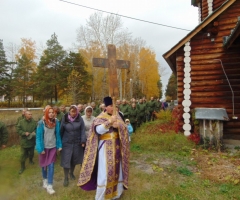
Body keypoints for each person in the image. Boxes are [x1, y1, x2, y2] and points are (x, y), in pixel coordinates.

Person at [78, 96, 130, 200]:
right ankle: (102, 196)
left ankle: (116, 194)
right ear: (106, 107)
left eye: (114, 105)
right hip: (105, 148)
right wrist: (109, 122)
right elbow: (98, 130)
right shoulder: (100, 117)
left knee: (117, 171)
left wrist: (118, 126)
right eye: (111, 106)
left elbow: (124, 129)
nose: (113, 107)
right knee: (105, 172)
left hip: (117, 147)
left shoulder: (118, 116)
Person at [36, 107, 62, 195]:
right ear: (46, 113)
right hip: (44, 148)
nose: (51, 114)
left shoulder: (56, 122)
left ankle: (50, 185)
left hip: (53, 147)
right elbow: (38, 137)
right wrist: (40, 149)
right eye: (49, 112)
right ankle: (45, 180)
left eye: (52, 112)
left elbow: (58, 134)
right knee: (44, 165)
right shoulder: (41, 123)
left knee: (51, 165)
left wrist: (59, 145)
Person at [60, 105, 86, 187]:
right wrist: (59, 143)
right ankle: (65, 177)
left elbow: (82, 130)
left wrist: (82, 141)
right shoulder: (65, 118)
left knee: (74, 159)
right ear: (69, 111)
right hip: (67, 143)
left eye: (75, 111)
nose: (73, 113)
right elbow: (61, 130)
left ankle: (71, 173)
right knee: (66, 160)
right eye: (72, 111)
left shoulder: (80, 119)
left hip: (77, 143)